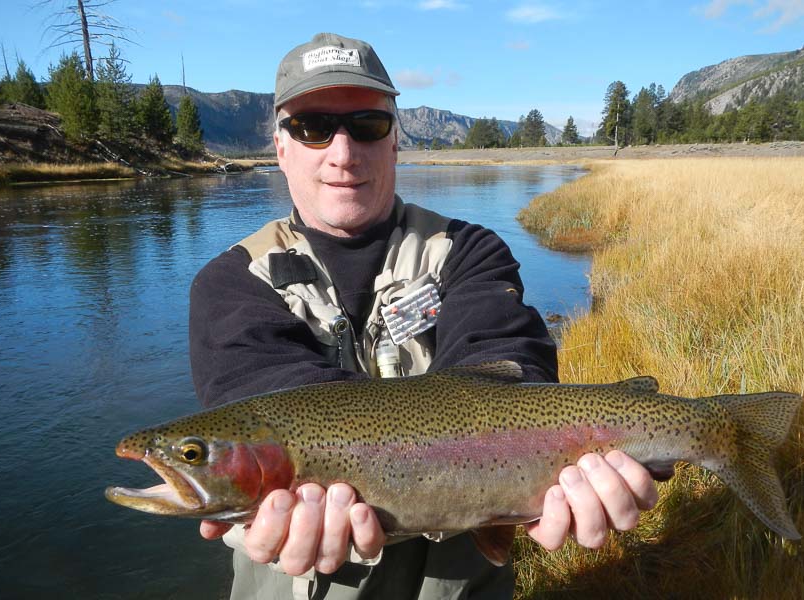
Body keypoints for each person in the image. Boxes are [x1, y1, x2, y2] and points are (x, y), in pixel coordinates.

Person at [189, 32, 657, 600]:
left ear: (394, 142)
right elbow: (275, 398)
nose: (343, 151)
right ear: (280, 148)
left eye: (367, 125)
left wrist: (569, 455)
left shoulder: (468, 250)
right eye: (312, 127)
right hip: (294, 574)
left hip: (459, 570)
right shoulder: (232, 282)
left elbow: (504, 360)